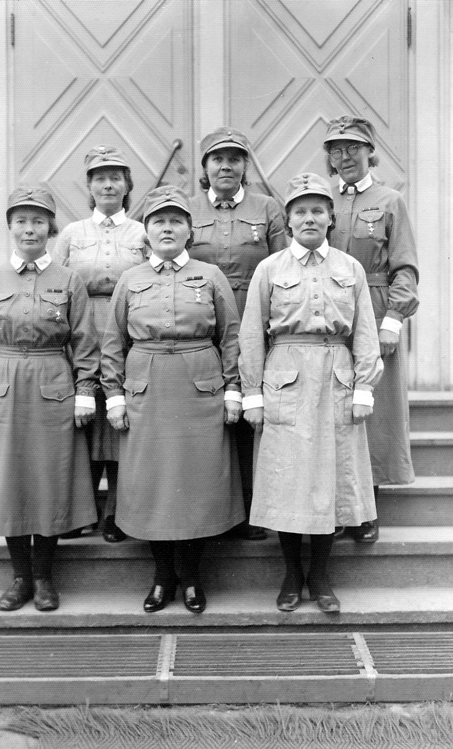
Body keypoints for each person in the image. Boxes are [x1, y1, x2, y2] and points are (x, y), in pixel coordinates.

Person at [239, 173, 383, 614]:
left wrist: (363, 387)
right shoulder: (270, 269)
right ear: (287, 221)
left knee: (329, 480)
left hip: (336, 376)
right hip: (286, 378)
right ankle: (290, 574)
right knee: (287, 480)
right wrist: (252, 393)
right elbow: (251, 334)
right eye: (300, 211)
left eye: (318, 210)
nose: (309, 218)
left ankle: (319, 576)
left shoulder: (350, 268)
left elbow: (365, 332)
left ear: (330, 218)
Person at [101, 185, 245, 614]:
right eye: (159, 221)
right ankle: (163, 577)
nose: (167, 228)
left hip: (200, 390)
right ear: (146, 231)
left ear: (189, 231)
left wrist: (233, 389)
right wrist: (114, 396)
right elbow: (113, 341)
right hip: (145, 391)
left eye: (176, 221)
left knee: (196, 483)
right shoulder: (131, 279)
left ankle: (193, 577)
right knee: (152, 485)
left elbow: (231, 336)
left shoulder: (210, 275)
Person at [0, 187, 99, 612]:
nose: (29, 229)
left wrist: (85, 392)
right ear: (10, 227)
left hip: (53, 384)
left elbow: (85, 342)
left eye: (38, 221)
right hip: (2, 387)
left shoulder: (68, 280)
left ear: (50, 228)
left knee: (48, 479)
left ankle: (43, 577)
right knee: (9, 480)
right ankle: (20, 577)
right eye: (21, 221)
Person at [323, 116, 419, 542]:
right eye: (336, 150)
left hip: (376, 311)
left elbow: (405, 267)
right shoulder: (321, 198)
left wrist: (393, 321)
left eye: (353, 148)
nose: (345, 157)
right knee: (331, 408)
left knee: (373, 412)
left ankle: (367, 509)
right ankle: (335, 507)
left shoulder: (389, 200)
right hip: (328, 313)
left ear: (370, 152)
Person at [189, 127, 286, 540]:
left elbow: (283, 267)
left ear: (246, 166)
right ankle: (210, 507)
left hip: (255, 322)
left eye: (234, 158)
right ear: (205, 167)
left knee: (250, 411)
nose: (226, 166)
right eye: (217, 159)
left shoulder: (267, 208)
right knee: (209, 413)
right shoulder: (187, 209)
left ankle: (250, 506)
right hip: (200, 325)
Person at [53, 146, 147, 542]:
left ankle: (116, 513)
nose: (108, 185)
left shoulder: (142, 232)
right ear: (89, 187)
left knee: (121, 417)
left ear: (127, 185)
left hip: (128, 329)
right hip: (81, 328)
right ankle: (83, 509)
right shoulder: (72, 234)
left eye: (115, 178)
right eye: (100, 178)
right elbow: (54, 283)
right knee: (85, 417)